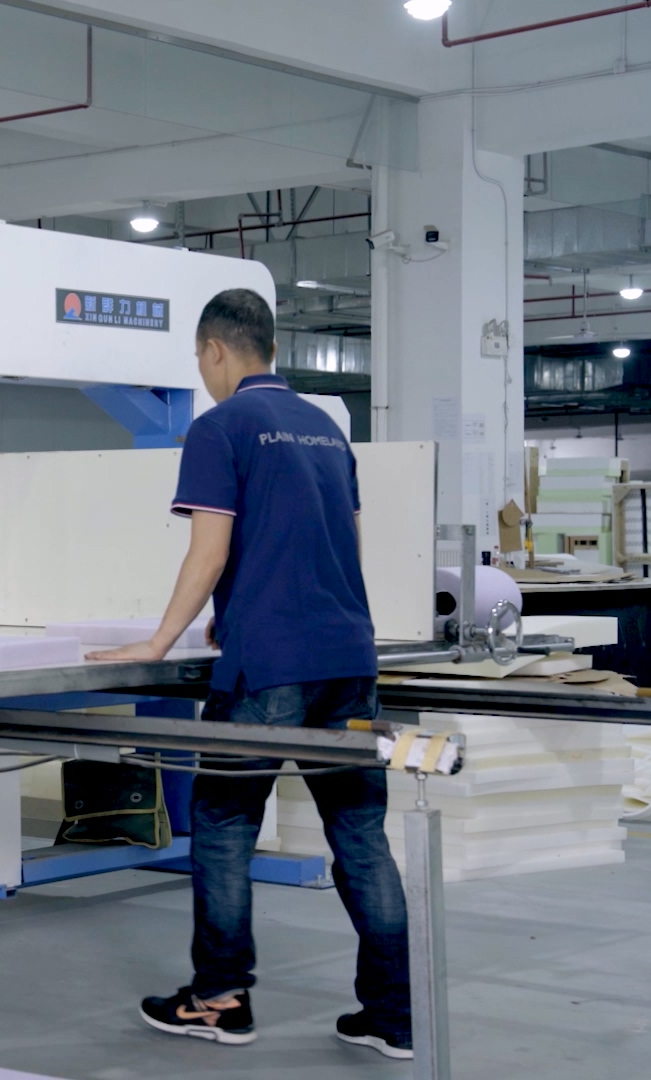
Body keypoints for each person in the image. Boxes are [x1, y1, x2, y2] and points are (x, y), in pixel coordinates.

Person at [87, 288, 411, 1059]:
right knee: (360, 835)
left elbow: (210, 551)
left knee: (226, 824)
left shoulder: (221, 426)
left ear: (214, 351)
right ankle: (397, 1014)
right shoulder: (327, 429)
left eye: (200, 360)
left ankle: (219, 998)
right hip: (349, 658)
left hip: (269, 667)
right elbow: (341, 544)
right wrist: (245, 607)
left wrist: (159, 640)